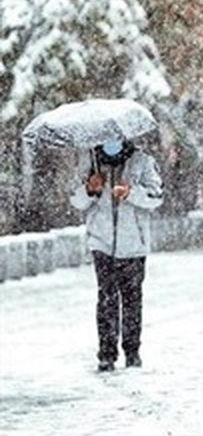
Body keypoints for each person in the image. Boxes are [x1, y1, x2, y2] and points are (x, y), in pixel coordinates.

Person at [70, 138, 164, 372]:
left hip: (133, 244)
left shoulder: (142, 161)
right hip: (101, 243)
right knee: (107, 299)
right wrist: (90, 189)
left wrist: (131, 192)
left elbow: (156, 197)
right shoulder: (89, 161)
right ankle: (106, 354)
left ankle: (132, 352)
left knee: (132, 300)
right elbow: (76, 199)